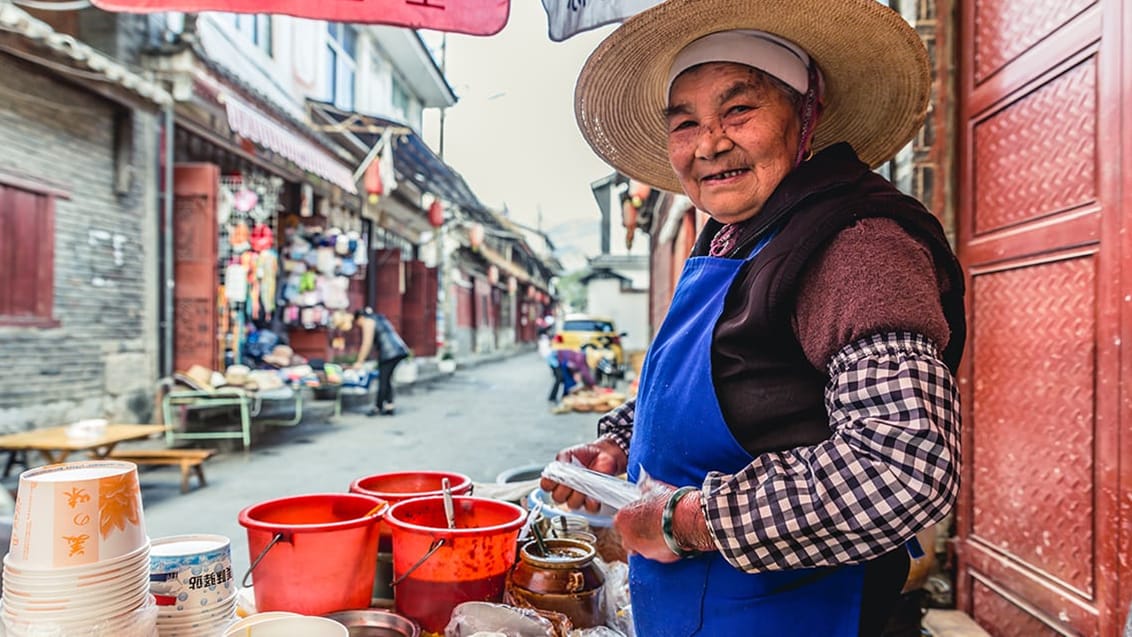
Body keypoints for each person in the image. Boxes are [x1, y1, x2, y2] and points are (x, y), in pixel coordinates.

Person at [538, 1, 966, 635]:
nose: (709, 143)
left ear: (806, 116)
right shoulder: (733, 238)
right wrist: (620, 445)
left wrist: (685, 522)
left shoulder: (855, 245)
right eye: (685, 123)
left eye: (739, 111)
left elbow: (902, 468)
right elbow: (733, 379)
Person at [352, 307, 410, 416]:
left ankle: (378, 407)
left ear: (360, 318)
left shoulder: (368, 322)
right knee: (387, 379)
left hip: (389, 353)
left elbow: (367, 343)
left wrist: (359, 361)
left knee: (383, 380)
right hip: (397, 350)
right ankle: (389, 406)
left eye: (357, 322)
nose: (358, 325)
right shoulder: (378, 318)